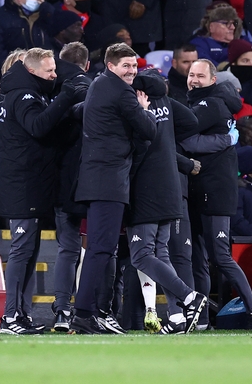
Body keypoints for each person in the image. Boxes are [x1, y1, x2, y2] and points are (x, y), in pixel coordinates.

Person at [71, 43, 157, 334]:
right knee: (100, 250)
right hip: (109, 182)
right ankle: (84, 313)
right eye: (126, 66)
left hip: (95, 178)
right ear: (110, 65)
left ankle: (89, 312)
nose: (132, 71)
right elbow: (149, 130)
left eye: (134, 66)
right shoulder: (121, 92)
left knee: (99, 250)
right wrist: (147, 110)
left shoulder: (97, 85)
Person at [0, 47, 75, 335]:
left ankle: (22, 315)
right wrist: (66, 97)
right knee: (21, 252)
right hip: (21, 186)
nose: (54, 75)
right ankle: (10, 318)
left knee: (29, 252)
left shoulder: (26, 93)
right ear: (31, 71)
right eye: (49, 71)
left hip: (30, 185)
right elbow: (38, 126)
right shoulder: (23, 95)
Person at [125, 68, 207, 335]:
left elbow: (135, 150)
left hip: (146, 190)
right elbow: (192, 121)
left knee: (140, 256)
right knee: (162, 253)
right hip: (172, 187)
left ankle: (189, 297)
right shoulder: (166, 103)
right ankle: (177, 316)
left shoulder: (135, 106)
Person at [181, 58, 252, 330]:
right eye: (191, 74)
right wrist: (224, 140)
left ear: (213, 80)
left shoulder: (211, 104)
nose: (194, 79)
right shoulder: (199, 102)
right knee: (199, 259)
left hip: (216, 191)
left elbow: (183, 133)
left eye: (200, 75)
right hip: (199, 189)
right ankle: (201, 320)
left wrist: (219, 141)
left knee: (220, 256)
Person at [51, 42, 90, 332]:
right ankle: (96, 309)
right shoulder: (94, 89)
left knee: (68, 248)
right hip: (93, 180)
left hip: (59, 181)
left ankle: (62, 309)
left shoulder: (50, 89)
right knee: (103, 249)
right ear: (86, 65)